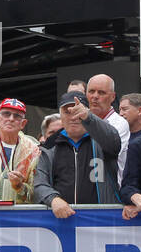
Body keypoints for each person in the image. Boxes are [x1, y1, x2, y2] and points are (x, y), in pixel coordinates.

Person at [33, 90, 122, 218]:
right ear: (60, 116)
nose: (73, 117)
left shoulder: (102, 140)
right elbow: (39, 183)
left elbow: (115, 141)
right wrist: (53, 199)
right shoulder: (49, 147)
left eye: (78, 111)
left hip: (102, 221)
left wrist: (88, 117)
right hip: (62, 221)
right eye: (67, 112)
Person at [87, 73, 131, 182]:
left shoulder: (120, 124)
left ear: (113, 97)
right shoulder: (80, 121)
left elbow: (103, 154)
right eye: (91, 91)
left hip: (111, 191)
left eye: (101, 92)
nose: (95, 96)